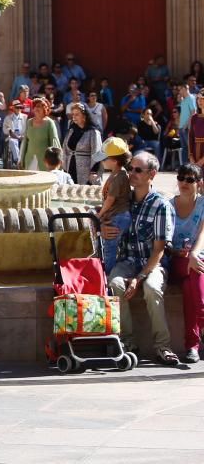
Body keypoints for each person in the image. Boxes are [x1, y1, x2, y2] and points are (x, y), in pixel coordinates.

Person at [103, 152, 179, 365]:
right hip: (127, 261)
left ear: (152, 174)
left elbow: (159, 250)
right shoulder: (123, 200)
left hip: (153, 263)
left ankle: (162, 345)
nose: (132, 174)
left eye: (138, 170)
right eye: (130, 168)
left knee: (151, 288)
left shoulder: (161, 205)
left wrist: (139, 277)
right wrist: (102, 228)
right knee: (115, 284)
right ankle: (127, 342)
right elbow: (100, 216)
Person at [167, 163, 204, 363]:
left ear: (199, 183)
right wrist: (177, 251)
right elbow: (164, 240)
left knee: (192, 283)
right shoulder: (169, 205)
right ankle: (196, 337)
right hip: (176, 260)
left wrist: (194, 254)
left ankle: (192, 346)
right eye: (181, 178)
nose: (184, 183)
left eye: (190, 180)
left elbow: (202, 235)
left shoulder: (203, 204)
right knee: (194, 272)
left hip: (197, 259)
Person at [92, 137, 132, 274]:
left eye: (104, 159)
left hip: (118, 216)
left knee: (109, 247)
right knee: (108, 246)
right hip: (118, 214)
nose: (102, 162)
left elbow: (110, 200)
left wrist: (100, 214)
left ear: (114, 161)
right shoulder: (119, 174)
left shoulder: (117, 177)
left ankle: (106, 274)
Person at [61, 103, 102, 185]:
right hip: (70, 167)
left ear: (84, 116)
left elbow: (97, 152)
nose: (74, 117)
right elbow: (65, 150)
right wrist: (65, 168)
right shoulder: (71, 131)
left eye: (77, 114)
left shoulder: (93, 132)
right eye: (73, 114)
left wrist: (93, 171)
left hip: (86, 170)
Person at [20, 97, 61, 170]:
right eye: (34, 106)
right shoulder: (29, 122)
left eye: (39, 106)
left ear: (45, 108)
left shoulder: (49, 123)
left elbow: (54, 142)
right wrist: (21, 159)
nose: (36, 108)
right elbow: (25, 141)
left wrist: (55, 162)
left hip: (45, 162)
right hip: (29, 159)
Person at [2, 100, 26, 166]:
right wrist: (9, 131)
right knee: (12, 141)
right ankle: (17, 160)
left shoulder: (25, 117)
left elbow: (28, 129)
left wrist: (23, 136)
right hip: (12, 136)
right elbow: (4, 129)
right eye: (17, 107)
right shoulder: (8, 118)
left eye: (20, 107)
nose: (19, 109)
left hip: (23, 136)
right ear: (13, 108)